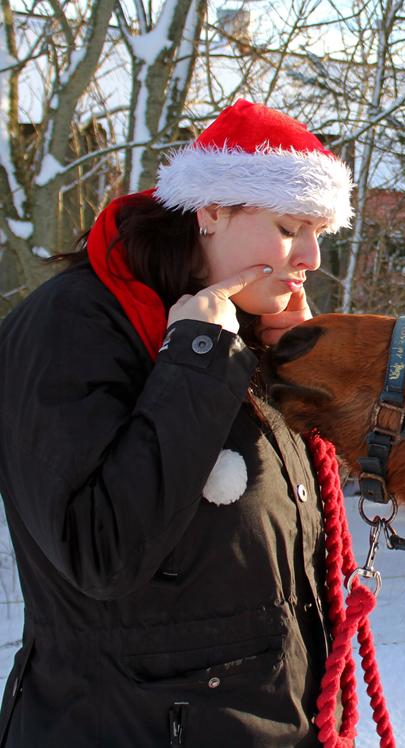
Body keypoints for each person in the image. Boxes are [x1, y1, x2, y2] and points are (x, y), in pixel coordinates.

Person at [0, 100, 354, 746]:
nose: (310, 256)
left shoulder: (246, 338)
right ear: (211, 212)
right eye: (288, 227)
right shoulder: (70, 325)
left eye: (319, 233)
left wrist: (307, 378)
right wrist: (196, 360)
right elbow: (97, 552)